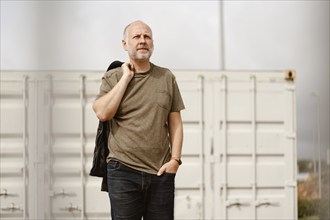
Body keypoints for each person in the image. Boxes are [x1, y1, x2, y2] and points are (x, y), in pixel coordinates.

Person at [92, 20, 185, 220]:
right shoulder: (113, 77)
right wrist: (126, 77)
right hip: (123, 170)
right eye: (136, 37)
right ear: (125, 44)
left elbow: (175, 122)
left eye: (147, 37)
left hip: (161, 172)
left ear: (152, 43)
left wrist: (175, 161)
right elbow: (102, 113)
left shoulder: (166, 77)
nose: (142, 41)